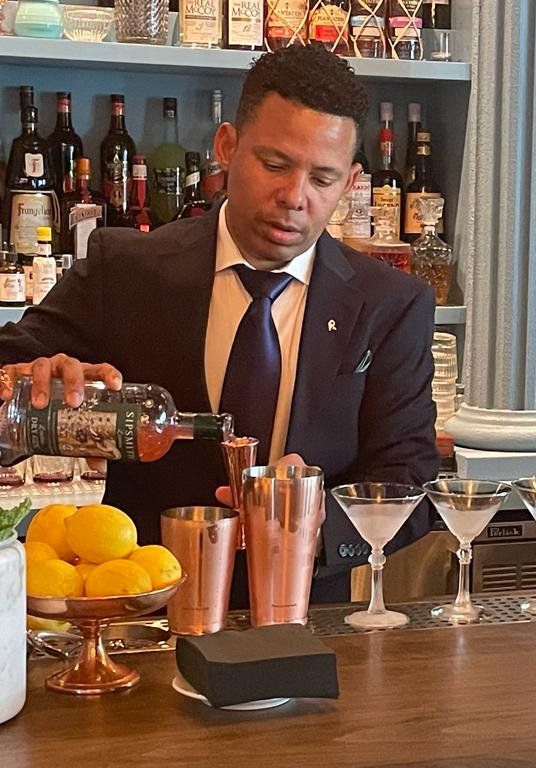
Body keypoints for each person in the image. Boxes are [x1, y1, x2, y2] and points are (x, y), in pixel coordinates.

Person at [0, 44, 439, 605]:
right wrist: (24, 392)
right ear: (227, 147)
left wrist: (312, 527)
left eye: (323, 179)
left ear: (351, 182)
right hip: (143, 613)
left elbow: (409, 480)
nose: (294, 198)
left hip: (307, 623)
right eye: (275, 164)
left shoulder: (390, 304)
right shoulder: (123, 269)